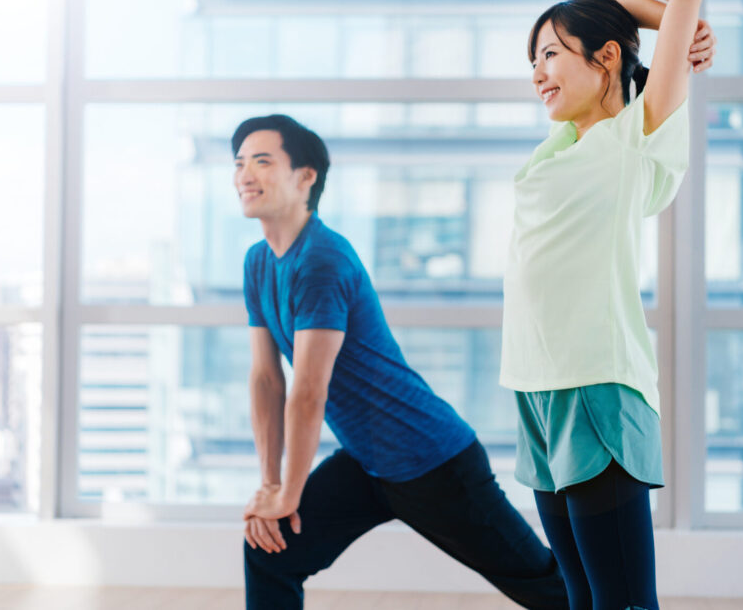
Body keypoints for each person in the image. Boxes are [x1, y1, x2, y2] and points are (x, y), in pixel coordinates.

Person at [233, 114, 569, 609]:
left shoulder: (322, 260)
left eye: (262, 161)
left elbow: (308, 390)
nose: (244, 174)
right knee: (272, 548)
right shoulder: (258, 263)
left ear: (306, 177)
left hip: (433, 461)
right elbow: (267, 380)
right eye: (239, 163)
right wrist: (271, 487)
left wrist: (287, 494)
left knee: (543, 584)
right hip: (367, 462)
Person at [499, 0, 714, 610]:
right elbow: (630, 21)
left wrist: (637, 2)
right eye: (533, 59)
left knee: (621, 603)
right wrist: (602, 12)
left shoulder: (633, 138)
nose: (537, 73)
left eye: (551, 55)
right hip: (535, 390)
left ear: (606, 58)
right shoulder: (558, 146)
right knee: (580, 598)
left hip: (597, 388)